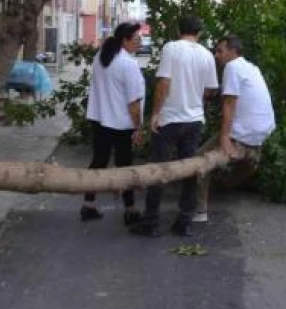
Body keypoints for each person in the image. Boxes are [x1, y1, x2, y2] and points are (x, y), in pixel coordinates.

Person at [130, 15, 219, 238]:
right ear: (199, 33)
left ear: (179, 30)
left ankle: (151, 221)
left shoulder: (171, 48)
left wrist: (156, 114)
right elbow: (211, 90)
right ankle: (184, 222)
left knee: (158, 169)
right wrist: (195, 98)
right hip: (194, 120)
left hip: (169, 118)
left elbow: (163, 83)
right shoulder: (207, 54)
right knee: (189, 171)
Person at [193, 35, 276, 223]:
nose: (216, 55)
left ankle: (200, 211)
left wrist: (225, 138)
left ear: (233, 51)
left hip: (244, 132)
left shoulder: (232, 67)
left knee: (200, 159)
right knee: (245, 163)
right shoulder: (251, 68)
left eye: (220, 51)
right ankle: (224, 186)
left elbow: (229, 104)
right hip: (262, 132)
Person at [82, 22, 146, 225]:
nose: (140, 42)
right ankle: (130, 210)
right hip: (121, 123)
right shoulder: (128, 64)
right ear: (124, 40)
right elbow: (134, 102)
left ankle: (88, 205)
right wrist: (138, 128)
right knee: (125, 166)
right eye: (136, 39)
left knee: (98, 162)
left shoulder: (100, 58)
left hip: (99, 118)